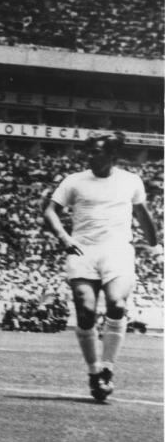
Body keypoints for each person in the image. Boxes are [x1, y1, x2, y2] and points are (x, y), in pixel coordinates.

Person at [43, 131, 159, 402]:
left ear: (112, 155)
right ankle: (94, 371)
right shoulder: (74, 181)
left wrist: (154, 243)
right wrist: (64, 237)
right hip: (82, 250)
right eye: (89, 150)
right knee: (85, 311)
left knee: (117, 304)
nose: (91, 155)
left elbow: (142, 214)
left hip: (117, 251)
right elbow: (50, 211)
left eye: (97, 150)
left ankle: (107, 368)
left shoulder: (130, 181)